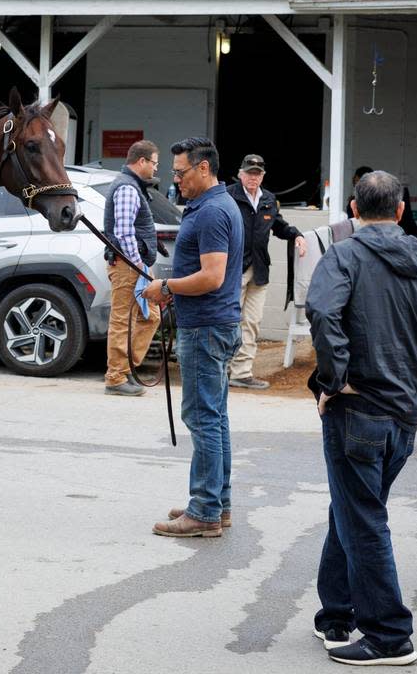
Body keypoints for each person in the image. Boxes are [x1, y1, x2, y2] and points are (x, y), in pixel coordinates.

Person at [306, 170, 417, 666]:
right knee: (353, 510)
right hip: (400, 414)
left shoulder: (345, 255)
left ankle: (390, 635)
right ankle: (336, 615)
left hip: (359, 411)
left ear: (353, 210)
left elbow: (321, 311)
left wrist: (335, 380)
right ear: (400, 211)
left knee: (363, 517)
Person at [142, 137, 243, 538]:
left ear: (204, 168)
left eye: (181, 172)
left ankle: (203, 511)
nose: (175, 180)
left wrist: (166, 288)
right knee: (215, 417)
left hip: (205, 327)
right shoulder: (217, 205)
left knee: (203, 419)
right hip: (212, 323)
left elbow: (212, 276)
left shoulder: (212, 213)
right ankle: (217, 502)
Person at [224, 154, 306, 389]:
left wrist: (297, 235)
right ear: (240, 174)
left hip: (259, 270)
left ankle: (241, 373)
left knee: (252, 322)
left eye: (257, 173)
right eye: (249, 172)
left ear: (262, 176)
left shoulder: (268, 199)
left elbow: (279, 226)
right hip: (233, 270)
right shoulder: (229, 196)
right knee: (230, 321)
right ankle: (223, 369)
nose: (253, 177)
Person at [103, 140, 162, 396]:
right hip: (129, 265)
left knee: (151, 316)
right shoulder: (127, 188)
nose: (156, 169)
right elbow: (124, 231)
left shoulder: (132, 186)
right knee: (123, 320)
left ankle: (126, 369)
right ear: (142, 162)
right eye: (154, 163)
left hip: (134, 265)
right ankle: (116, 377)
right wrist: (137, 264)